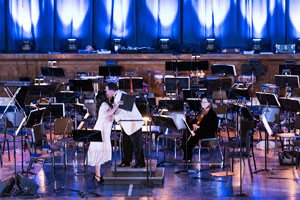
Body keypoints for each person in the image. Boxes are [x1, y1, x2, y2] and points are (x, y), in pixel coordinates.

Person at [105, 82, 146, 168]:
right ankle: (126, 161)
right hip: (126, 124)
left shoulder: (123, 95)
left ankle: (140, 163)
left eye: (107, 90)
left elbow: (126, 111)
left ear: (112, 90)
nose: (106, 92)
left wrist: (114, 117)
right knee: (126, 144)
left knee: (136, 144)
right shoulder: (117, 96)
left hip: (134, 123)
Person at [87, 92, 119, 183]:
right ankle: (97, 175)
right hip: (101, 132)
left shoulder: (104, 105)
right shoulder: (104, 104)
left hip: (102, 131)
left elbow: (108, 116)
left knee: (99, 153)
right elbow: (106, 114)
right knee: (99, 153)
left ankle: (97, 175)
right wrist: (116, 106)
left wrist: (112, 116)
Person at [183, 97, 219, 162]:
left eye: (205, 102)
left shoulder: (212, 113)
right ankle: (185, 152)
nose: (203, 103)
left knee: (192, 136)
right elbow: (196, 121)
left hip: (208, 133)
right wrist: (192, 124)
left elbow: (211, 127)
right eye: (202, 102)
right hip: (201, 131)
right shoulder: (202, 111)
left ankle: (187, 156)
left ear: (209, 103)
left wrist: (199, 127)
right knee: (186, 133)